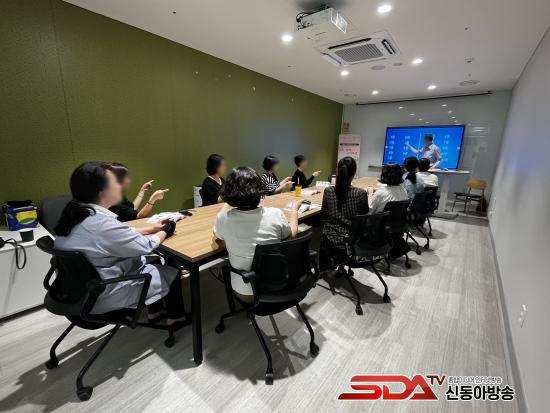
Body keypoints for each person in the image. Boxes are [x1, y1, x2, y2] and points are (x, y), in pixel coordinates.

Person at [54, 162, 186, 325]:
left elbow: (114, 233)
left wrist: (152, 228)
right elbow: (145, 246)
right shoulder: (102, 224)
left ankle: (155, 312)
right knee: (172, 271)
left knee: (154, 261)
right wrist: (167, 229)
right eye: (115, 182)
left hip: (78, 292)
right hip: (102, 296)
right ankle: (177, 318)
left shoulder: (77, 216)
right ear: (102, 190)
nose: (120, 185)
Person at [213, 166, 302, 302]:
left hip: (246, 293)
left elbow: (217, 237)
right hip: (280, 283)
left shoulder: (223, 218)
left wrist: (226, 205)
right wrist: (295, 209)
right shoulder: (275, 214)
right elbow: (292, 234)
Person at [320, 157, 368, 269]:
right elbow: (364, 217)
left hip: (333, 238)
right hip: (354, 239)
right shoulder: (361, 193)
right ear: (354, 173)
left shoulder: (329, 191)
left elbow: (324, 215)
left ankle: (325, 266)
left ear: (337, 171)